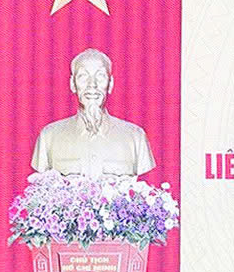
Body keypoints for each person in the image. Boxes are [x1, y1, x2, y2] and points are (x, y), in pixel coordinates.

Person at [29, 48, 156, 176]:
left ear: (110, 84)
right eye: (83, 76)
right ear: (72, 84)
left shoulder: (135, 137)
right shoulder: (49, 137)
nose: (92, 85)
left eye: (100, 76)